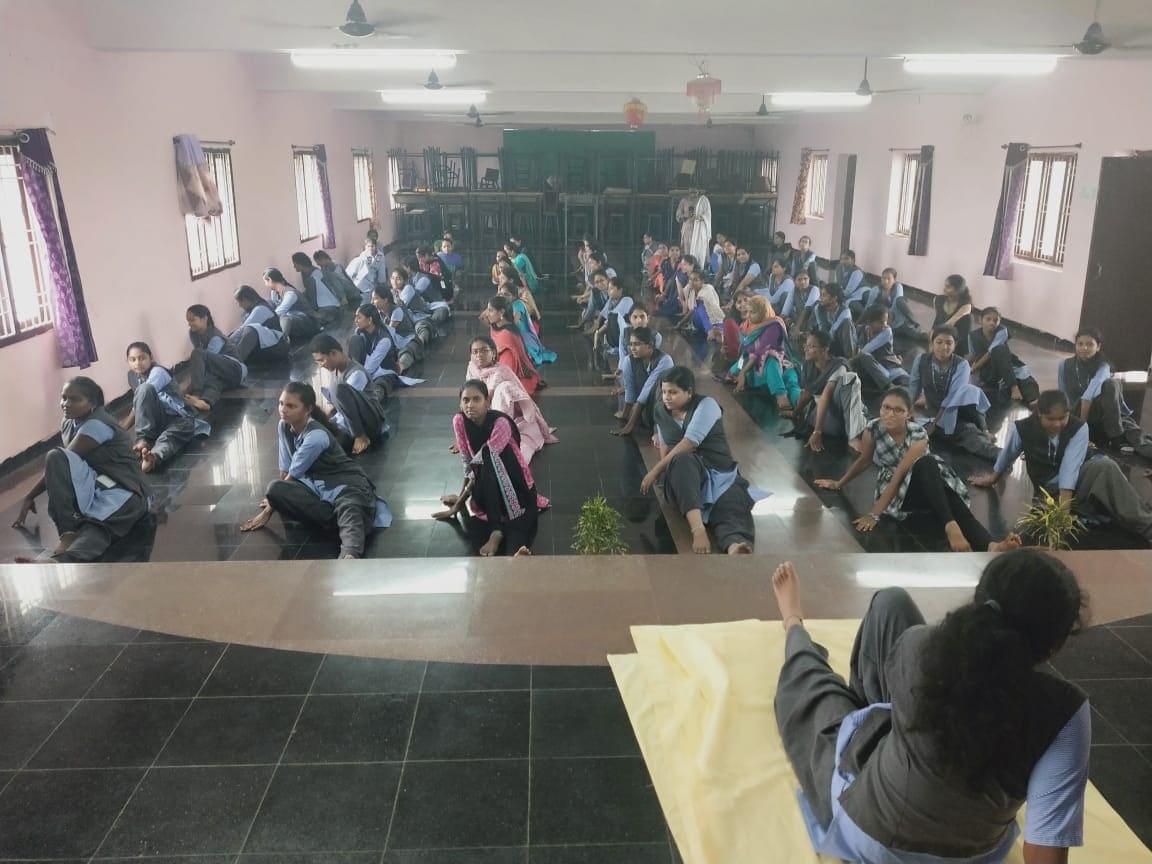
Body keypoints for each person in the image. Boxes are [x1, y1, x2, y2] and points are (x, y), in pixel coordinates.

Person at [771, 550, 1090, 862]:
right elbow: (1046, 851)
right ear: (1054, 645)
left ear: (979, 603)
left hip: (871, 837)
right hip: (973, 853)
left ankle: (793, 624)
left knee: (816, 694)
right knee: (892, 603)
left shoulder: (917, 645)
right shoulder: (1067, 714)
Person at [816, 387, 1019, 552]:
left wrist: (874, 513)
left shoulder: (918, 434)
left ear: (909, 414)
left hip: (926, 481)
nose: (890, 414)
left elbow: (903, 471)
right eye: (886, 407)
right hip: (901, 494)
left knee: (931, 471)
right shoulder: (873, 429)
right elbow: (865, 461)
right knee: (939, 484)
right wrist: (840, 483)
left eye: (898, 410)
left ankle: (990, 545)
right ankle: (952, 526)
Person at [971, 389, 1152, 544]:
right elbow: (1008, 454)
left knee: (1105, 466)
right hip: (1047, 491)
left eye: (1062, 418)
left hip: (1073, 484)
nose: (1058, 424)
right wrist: (992, 478)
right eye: (1051, 419)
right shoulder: (1023, 427)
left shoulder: (1079, 428)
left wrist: (1062, 514)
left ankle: (1148, 527)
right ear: (1039, 414)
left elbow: (1070, 468)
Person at [241, 382, 391, 559]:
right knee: (275, 489)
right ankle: (341, 522)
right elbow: (284, 474)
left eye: (291, 406)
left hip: (347, 487)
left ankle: (350, 553)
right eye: (281, 403)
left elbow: (291, 476)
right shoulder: (284, 426)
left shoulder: (316, 437)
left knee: (349, 506)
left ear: (307, 409)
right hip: (317, 490)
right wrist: (275, 499)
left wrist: (266, 513)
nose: (283, 410)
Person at [12, 377, 150, 562]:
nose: (66, 404)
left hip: (126, 490)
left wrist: (30, 495)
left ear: (92, 403)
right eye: (63, 398)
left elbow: (66, 459)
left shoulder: (97, 424)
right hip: (97, 482)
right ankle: (67, 533)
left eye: (74, 399)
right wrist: (31, 496)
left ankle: (61, 561)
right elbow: (63, 463)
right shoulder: (69, 422)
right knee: (56, 457)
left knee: (98, 527)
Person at [641, 366, 758, 554]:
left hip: (719, 472)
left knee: (729, 502)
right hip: (685, 473)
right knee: (681, 462)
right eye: (664, 392)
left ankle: (733, 544)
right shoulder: (660, 411)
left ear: (689, 392)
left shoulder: (707, 405)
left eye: (673, 392)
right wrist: (666, 478)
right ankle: (698, 530)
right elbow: (665, 444)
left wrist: (655, 470)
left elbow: (690, 442)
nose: (666, 397)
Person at [433, 379, 549, 557]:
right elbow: (468, 461)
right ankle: (498, 531)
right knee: (481, 463)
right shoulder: (459, 421)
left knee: (521, 517)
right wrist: (458, 503)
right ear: (460, 402)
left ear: (487, 402)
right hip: (485, 479)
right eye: (466, 400)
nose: (470, 405)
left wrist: (461, 500)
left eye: (476, 399)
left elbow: (486, 462)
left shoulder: (500, 423)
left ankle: (499, 534)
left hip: (513, 481)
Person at [1057, 327, 1152, 458]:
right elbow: (1063, 396)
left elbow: (1089, 395)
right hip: (1078, 415)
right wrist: (1077, 427)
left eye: (1090, 344)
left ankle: (1120, 437)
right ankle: (1117, 436)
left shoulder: (1103, 366)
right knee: (1123, 418)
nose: (1084, 348)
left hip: (1104, 414)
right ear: (1075, 345)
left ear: (1098, 347)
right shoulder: (1065, 365)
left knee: (1112, 385)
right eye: (1080, 344)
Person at [909, 325, 1000, 461]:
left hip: (959, 411)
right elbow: (913, 387)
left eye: (949, 343)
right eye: (939, 342)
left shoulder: (962, 365)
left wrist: (934, 425)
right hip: (935, 415)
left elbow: (952, 398)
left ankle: (989, 438)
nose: (944, 347)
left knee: (972, 437)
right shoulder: (921, 360)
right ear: (932, 343)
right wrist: (908, 412)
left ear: (955, 345)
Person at [466, 336, 557, 462]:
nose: (479, 355)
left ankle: (502, 434)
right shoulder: (472, 369)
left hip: (508, 417)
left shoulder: (501, 370)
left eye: (484, 351)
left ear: (493, 353)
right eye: (475, 352)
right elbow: (470, 397)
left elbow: (488, 397)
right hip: (484, 415)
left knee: (505, 388)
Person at [123, 342, 210, 473]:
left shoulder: (158, 372)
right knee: (143, 391)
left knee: (170, 437)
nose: (137, 363)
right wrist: (119, 430)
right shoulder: (132, 376)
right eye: (133, 360)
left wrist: (121, 428)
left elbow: (138, 405)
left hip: (177, 419)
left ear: (151, 358)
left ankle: (153, 458)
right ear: (128, 362)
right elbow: (141, 405)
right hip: (157, 421)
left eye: (142, 358)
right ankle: (144, 441)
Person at [310, 334, 389, 455]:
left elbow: (349, 407)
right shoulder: (336, 370)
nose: (321, 365)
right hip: (349, 421)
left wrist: (337, 427)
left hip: (370, 422)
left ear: (333, 353)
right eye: (318, 362)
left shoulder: (356, 373)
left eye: (321, 360)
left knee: (327, 446)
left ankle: (361, 437)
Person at [793, 331, 868, 453]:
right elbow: (807, 393)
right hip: (827, 420)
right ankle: (856, 429)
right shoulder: (807, 366)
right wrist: (795, 412)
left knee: (850, 378)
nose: (806, 349)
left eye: (812, 346)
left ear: (825, 349)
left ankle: (854, 435)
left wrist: (817, 431)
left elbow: (826, 395)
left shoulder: (838, 365)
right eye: (806, 345)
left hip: (838, 414)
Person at [729, 295, 801, 414]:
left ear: (763, 311)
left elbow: (760, 351)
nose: (749, 316)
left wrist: (742, 372)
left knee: (771, 359)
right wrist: (738, 369)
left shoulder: (774, 324)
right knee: (734, 370)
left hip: (776, 363)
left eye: (753, 312)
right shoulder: (745, 326)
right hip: (752, 363)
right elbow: (745, 352)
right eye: (749, 312)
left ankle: (782, 396)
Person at [968, 307, 1040, 406]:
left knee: (1024, 379)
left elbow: (990, 353)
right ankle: (1013, 388)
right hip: (989, 370)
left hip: (1007, 365)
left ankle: (1029, 398)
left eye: (995, 320)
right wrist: (967, 371)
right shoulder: (972, 336)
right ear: (981, 320)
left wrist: (972, 369)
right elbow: (973, 356)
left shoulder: (1002, 331)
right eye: (988, 319)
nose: (992, 323)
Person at [346, 304, 422, 397]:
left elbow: (371, 366)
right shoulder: (359, 331)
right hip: (366, 368)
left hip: (384, 371)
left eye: (359, 317)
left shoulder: (384, 339)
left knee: (379, 385)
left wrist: (357, 379)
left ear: (369, 320)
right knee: (354, 340)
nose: (355, 320)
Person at [611, 326, 674, 435]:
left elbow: (647, 389)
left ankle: (658, 431)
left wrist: (630, 426)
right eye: (631, 344)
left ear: (649, 346)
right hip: (646, 407)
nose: (632, 348)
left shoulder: (665, 361)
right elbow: (629, 390)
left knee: (661, 390)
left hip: (663, 407)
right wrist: (625, 415)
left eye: (637, 344)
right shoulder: (629, 361)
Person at [184, 304, 247, 413]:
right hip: (224, 375)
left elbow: (203, 360)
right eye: (188, 321)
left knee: (197, 353)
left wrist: (189, 387)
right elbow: (202, 366)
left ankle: (196, 394)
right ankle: (206, 402)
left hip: (236, 369)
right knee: (214, 381)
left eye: (192, 320)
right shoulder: (193, 333)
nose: (189, 324)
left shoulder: (215, 336)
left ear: (204, 319)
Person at [497, 266, 556, 367]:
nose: (503, 297)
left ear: (514, 295)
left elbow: (514, 322)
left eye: (506, 295)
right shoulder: (507, 302)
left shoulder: (518, 303)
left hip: (522, 334)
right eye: (502, 295)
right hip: (513, 330)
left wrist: (501, 322)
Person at [484, 295, 542, 396]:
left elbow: (508, 364)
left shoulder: (507, 333)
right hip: (497, 361)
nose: (487, 314)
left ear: (501, 312)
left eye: (491, 310)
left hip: (510, 368)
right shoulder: (495, 327)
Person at [852, 305, 910, 394]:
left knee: (908, 387)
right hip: (874, 370)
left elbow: (865, 350)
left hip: (889, 369)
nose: (884, 325)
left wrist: (851, 359)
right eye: (880, 322)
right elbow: (856, 348)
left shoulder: (887, 331)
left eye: (886, 322)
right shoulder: (862, 330)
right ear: (869, 322)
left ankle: (889, 385)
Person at [230, 285, 288, 364]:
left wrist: (226, 343)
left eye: (240, 302)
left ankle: (234, 365)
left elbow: (242, 330)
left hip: (278, 348)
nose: (239, 305)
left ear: (245, 299)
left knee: (250, 330)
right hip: (268, 346)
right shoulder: (250, 311)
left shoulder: (260, 309)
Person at [371, 285, 424, 370]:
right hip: (394, 343)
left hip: (407, 340)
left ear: (385, 300)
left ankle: (400, 368)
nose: (372, 301)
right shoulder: (378, 312)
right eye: (372, 298)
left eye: (375, 298)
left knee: (407, 353)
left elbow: (389, 333)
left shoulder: (396, 310)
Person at [265, 267, 320, 347]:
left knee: (284, 318)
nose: (265, 284)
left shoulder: (290, 293)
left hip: (309, 323)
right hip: (294, 322)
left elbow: (280, 311)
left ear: (269, 279)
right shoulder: (274, 293)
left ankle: (282, 343)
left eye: (265, 281)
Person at [592, 275, 634, 372]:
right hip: (615, 334)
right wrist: (597, 327)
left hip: (625, 336)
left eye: (611, 288)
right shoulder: (611, 300)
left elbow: (611, 319)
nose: (608, 291)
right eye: (608, 289)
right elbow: (603, 314)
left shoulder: (627, 300)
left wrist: (598, 333)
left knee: (612, 317)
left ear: (620, 290)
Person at [863, 267, 920, 338]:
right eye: (883, 278)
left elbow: (896, 304)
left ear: (894, 280)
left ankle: (915, 323)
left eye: (889, 279)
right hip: (885, 323)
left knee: (900, 300)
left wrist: (890, 314)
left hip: (898, 320)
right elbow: (868, 307)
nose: (885, 281)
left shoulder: (898, 287)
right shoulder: (876, 290)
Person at [291, 251, 342, 327]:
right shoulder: (304, 273)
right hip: (325, 304)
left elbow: (314, 297)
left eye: (295, 264)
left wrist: (311, 310)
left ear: (300, 264)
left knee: (308, 315)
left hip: (328, 305)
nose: (294, 267)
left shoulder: (315, 274)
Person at [388, 268, 435, 346]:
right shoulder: (392, 292)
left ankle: (420, 344)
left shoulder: (408, 288)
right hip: (406, 319)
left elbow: (400, 307)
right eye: (392, 278)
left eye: (398, 279)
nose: (394, 282)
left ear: (405, 280)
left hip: (418, 316)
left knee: (422, 328)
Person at [677, 269, 725, 338]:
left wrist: (709, 328)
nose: (692, 282)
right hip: (701, 323)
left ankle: (712, 330)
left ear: (702, 281)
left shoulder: (708, 289)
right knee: (697, 309)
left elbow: (706, 310)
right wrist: (680, 324)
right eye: (690, 279)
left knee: (700, 306)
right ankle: (711, 331)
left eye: (695, 280)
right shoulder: (690, 289)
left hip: (714, 322)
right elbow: (693, 310)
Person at [934, 274, 974, 356]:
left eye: (948, 287)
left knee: (969, 318)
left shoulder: (966, 305)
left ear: (957, 290)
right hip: (939, 332)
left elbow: (950, 323)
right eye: (945, 286)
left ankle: (955, 351)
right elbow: (937, 319)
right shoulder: (938, 299)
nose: (944, 289)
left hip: (955, 337)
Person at [813, 284, 856, 359]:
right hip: (829, 341)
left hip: (842, 343)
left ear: (834, 298)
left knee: (846, 323)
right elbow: (822, 327)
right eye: (821, 295)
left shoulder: (845, 311)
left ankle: (850, 360)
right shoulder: (819, 308)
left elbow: (834, 330)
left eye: (824, 295)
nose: (820, 298)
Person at [676, 189, 711, 263]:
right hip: (688, 228)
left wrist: (698, 217)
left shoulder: (702, 200)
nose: (693, 194)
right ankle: (687, 264)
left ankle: (699, 266)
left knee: (699, 248)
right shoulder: (684, 201)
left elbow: (707, 215)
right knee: (687, 248)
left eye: (695, 192)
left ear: (698, 192)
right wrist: (686, 216)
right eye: (691, 192)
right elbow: (678, 216)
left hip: (699, 228)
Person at [346, 237, 386, 302]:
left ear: (376, 246)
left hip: (372, 283)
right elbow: (349, 273)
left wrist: (381, 282)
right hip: (360, 283)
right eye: (368, 246)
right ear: (365, 247)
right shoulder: (361, 258)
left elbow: (382, 272)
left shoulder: (380, 256)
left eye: (372, 246)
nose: (370, 248)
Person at [835, 250, 868, 316]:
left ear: (853, 260)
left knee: (857, 305)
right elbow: (837, 284)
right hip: (846, 294)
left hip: (860, 292)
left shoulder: (857, 272)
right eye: (841, 259)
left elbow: (848, 292)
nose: (843, 261)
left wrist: (838, 297)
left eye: (846, 258)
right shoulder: (839, 268)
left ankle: (866, 318)